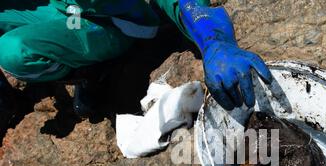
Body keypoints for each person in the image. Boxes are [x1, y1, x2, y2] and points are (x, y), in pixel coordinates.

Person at [0, 0, 272, 126]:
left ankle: (92, 69)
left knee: (13, 50)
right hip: (62, 8)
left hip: (107, 20)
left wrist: (215, 42)